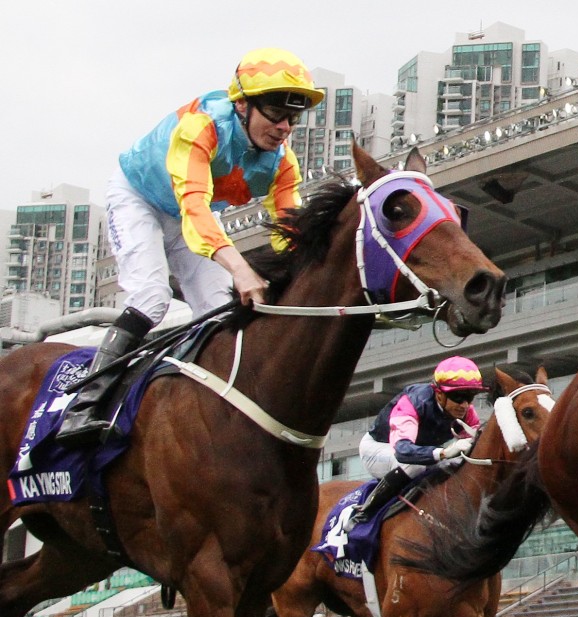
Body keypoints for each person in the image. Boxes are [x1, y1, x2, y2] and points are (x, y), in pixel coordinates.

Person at [58, 48, 325, 446]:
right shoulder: (201, 127)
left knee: (216, 313)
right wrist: (240, 269)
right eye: (274, 113)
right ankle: (83, 405)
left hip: (192, 212)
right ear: (242, 105)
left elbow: (291, 235)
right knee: (151, 297)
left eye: (293, 117)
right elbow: (194, 207)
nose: (284, 127)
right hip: (142, 199)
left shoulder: (283, 163)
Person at [353, 356, 485, 522]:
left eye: (470, 397)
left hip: (420, 455)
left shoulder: (467, 413)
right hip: (379, 449)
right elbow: (403, 451)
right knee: (413, 466)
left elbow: (474, 450)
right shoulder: (414, 402)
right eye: (458, 397)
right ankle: (367, 510)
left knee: (454, 466)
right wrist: (445, 452)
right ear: (439, 394)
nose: (464, 405)